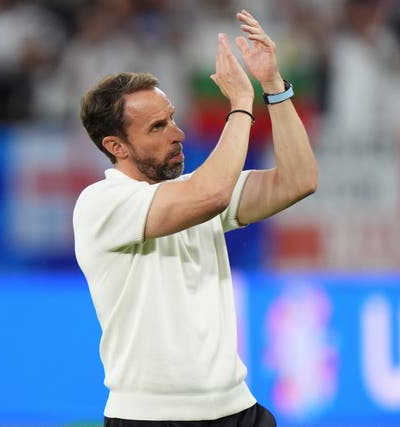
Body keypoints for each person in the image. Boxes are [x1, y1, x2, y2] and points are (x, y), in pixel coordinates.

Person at [72, 9, 317, 427]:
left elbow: (299, 181)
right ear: (117, 145)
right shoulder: (101, 204)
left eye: (173, 119)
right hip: (152, 419)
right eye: (157, 127)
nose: (178, 133)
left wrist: (273, 87)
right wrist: (241, 103)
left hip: (239, 410)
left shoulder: (192, 190)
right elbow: (213, 192)